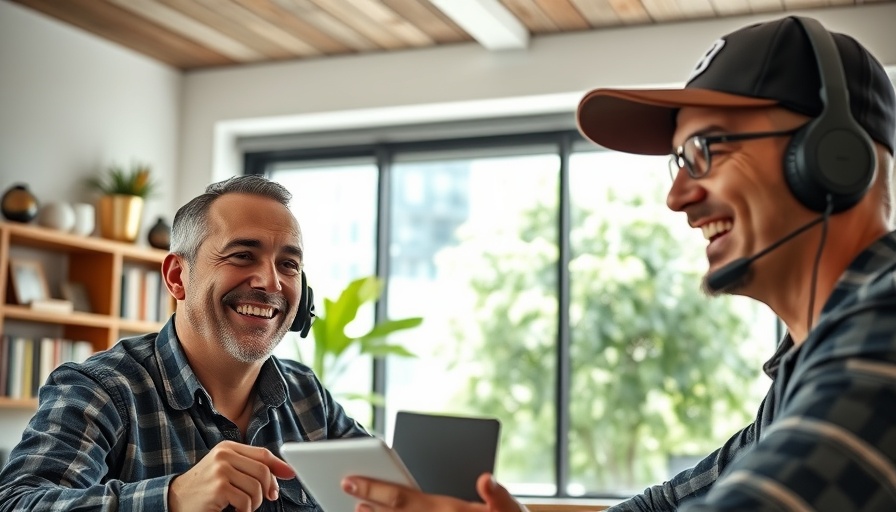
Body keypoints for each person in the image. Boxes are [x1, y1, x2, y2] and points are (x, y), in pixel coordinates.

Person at [340, 15, 896, 512]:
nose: (677, 197)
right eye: (679, 161)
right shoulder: (802, 373)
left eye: (705, 151)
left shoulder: (886, 324)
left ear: (832, 157)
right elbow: (670, 502)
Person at [0, 175, 370, 511]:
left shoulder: (307, 396)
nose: (271, 282)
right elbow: (19, 502)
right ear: (178, 277)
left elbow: (386, 493)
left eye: (288, 265)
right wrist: (173, 498)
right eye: (243, 255)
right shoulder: (102, 390)